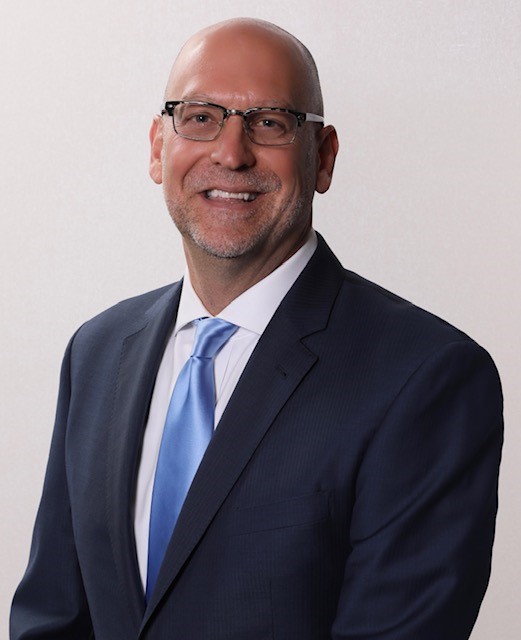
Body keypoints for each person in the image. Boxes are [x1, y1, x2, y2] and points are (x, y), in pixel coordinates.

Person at [10, 17, 503, 640]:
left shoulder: (425, 378)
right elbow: (52, 619)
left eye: (269, 122)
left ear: (321, 159)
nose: (231, 152)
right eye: (200, 117)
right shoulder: (98, 352)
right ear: (159, 148)